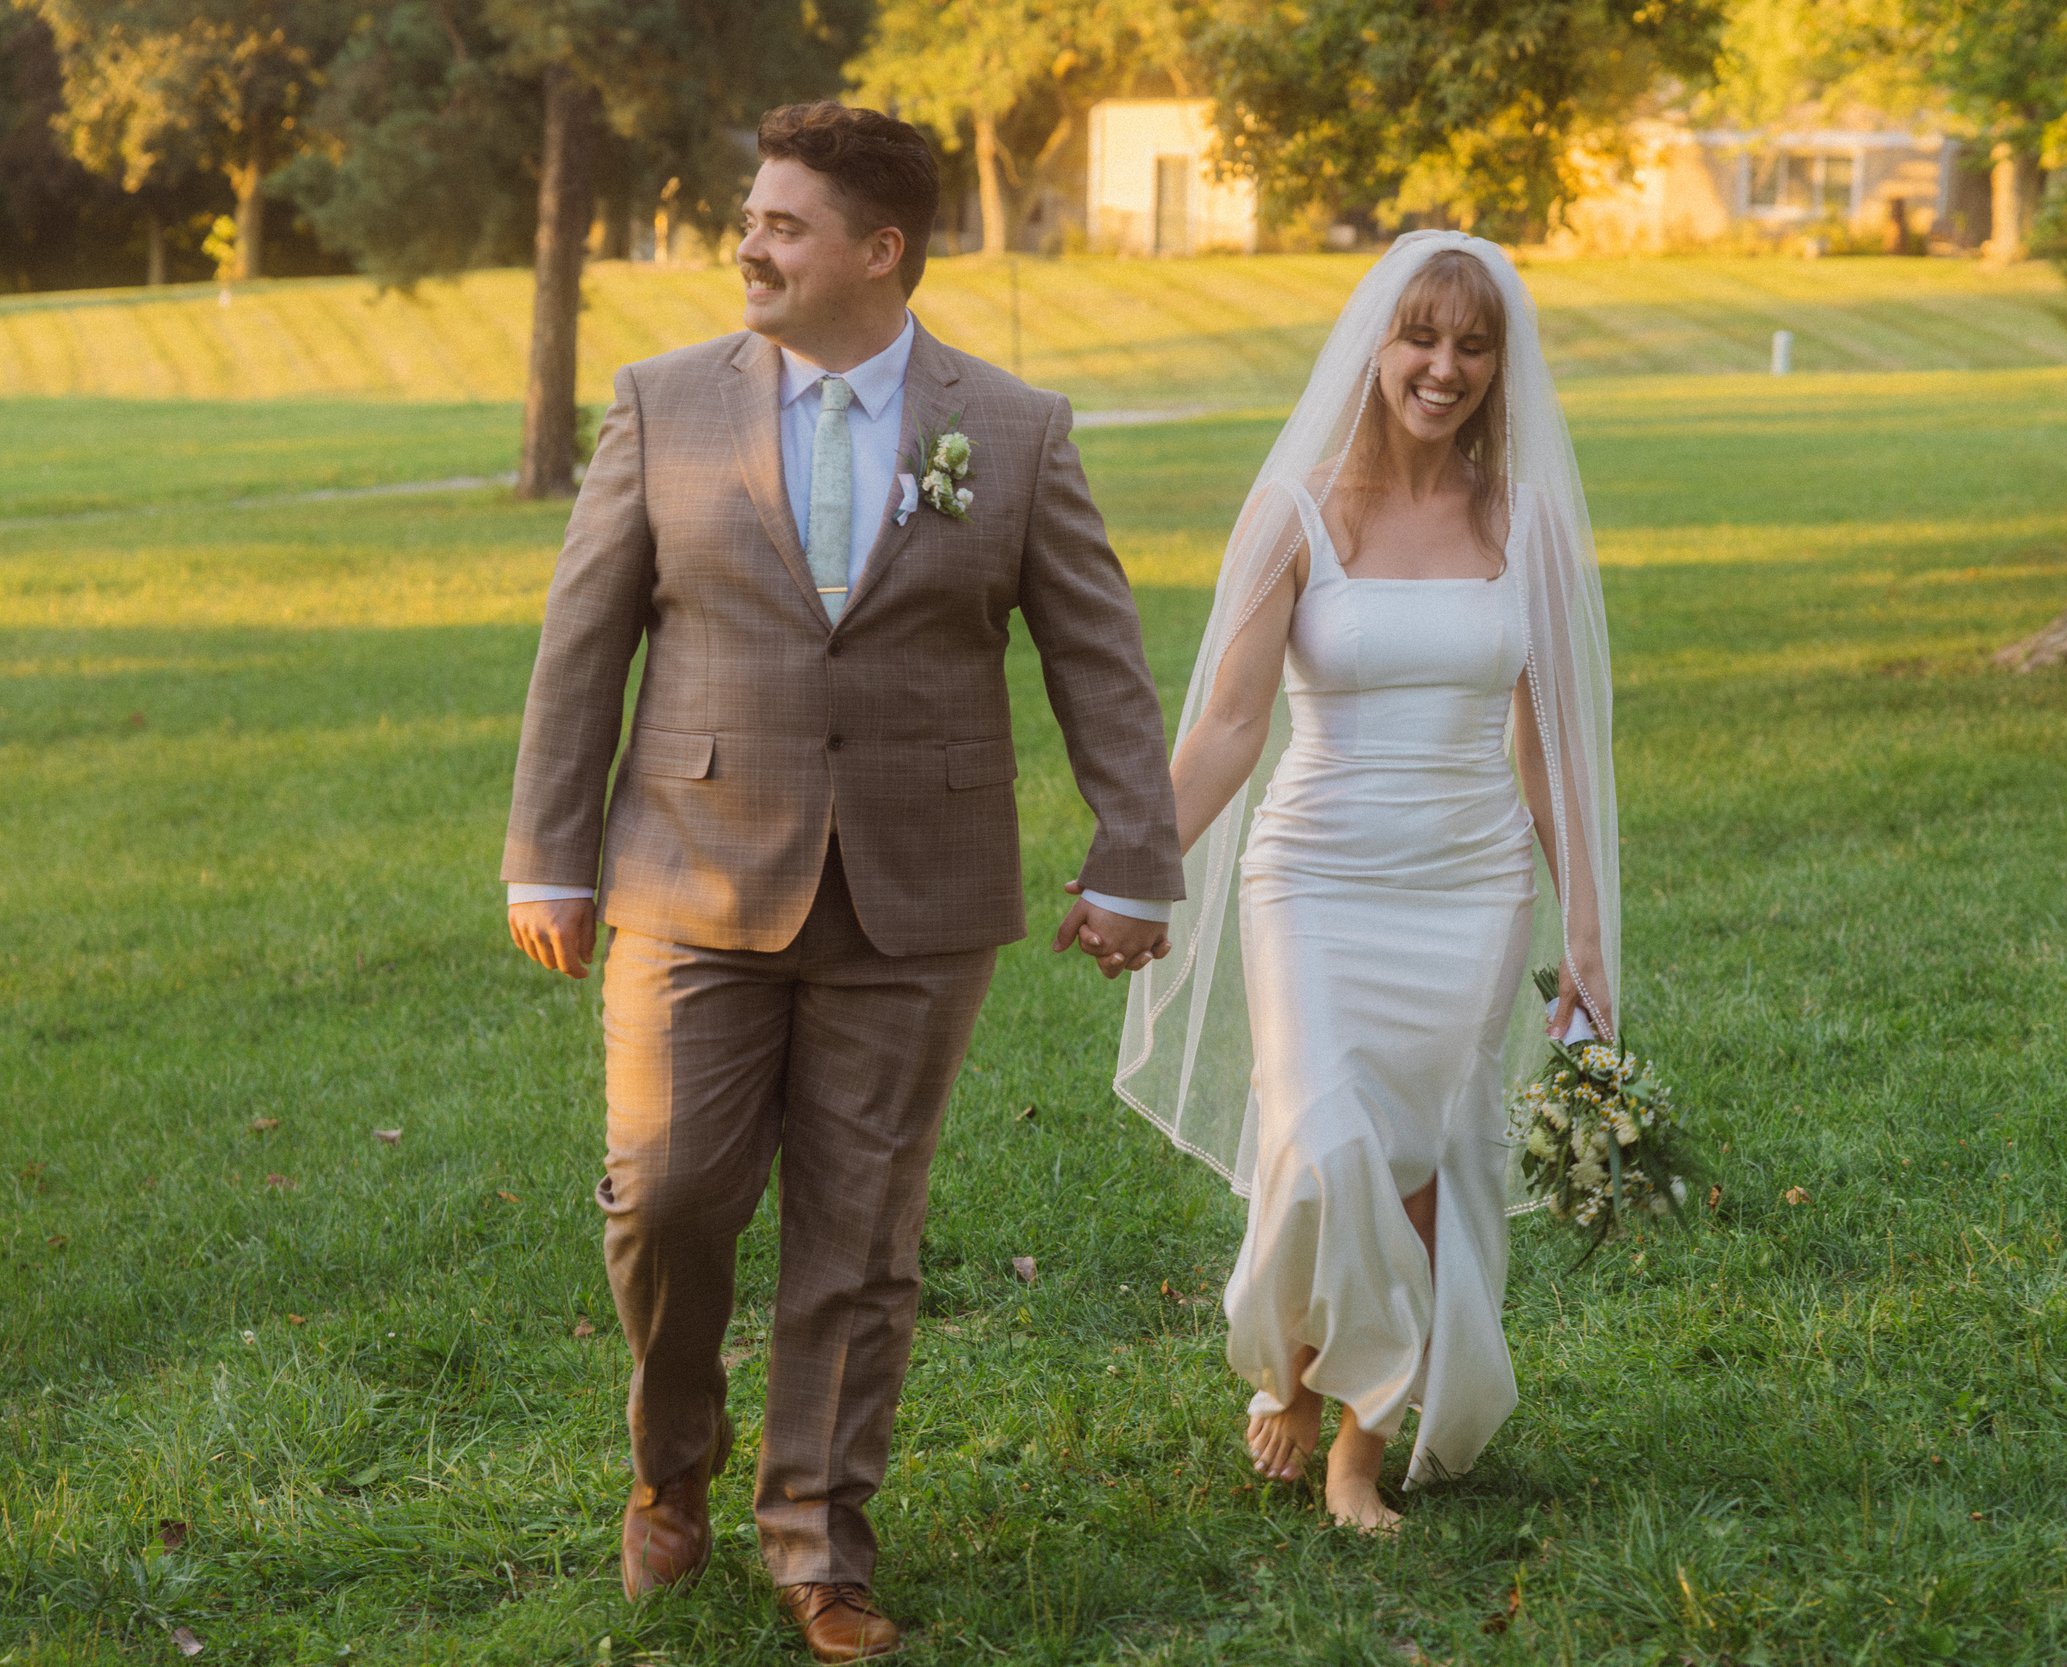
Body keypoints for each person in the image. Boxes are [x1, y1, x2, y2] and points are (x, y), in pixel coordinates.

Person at [501, 102, 1181, 1663]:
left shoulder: (1011, 429)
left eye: (784, 224)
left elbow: (1099, 659)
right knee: (668, 1195)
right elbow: (581, 647)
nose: (749, 244)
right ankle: (673, 1456)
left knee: (861, 1236)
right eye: (750, 218)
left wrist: (1135, 855)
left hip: (917, 897)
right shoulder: (661, 406)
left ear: (881, 253)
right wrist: (547, 853)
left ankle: (818, 1542)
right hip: (687, 873)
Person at [1114, 233, 1620, 1532]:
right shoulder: (1295, 510)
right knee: (1324, 1137)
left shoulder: (1525, 522)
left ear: (1501, 365)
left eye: (1472, 344)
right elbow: (1228, 727)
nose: (1442, 368)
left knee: (1418, 1164)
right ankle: (1286, 1362)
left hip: (1470, 881)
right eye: (1420, 338)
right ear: (1375, 346)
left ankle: (1353, 1442)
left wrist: (1591, 937)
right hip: (1318, 876)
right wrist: (1135, 867)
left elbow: (1552, 747)